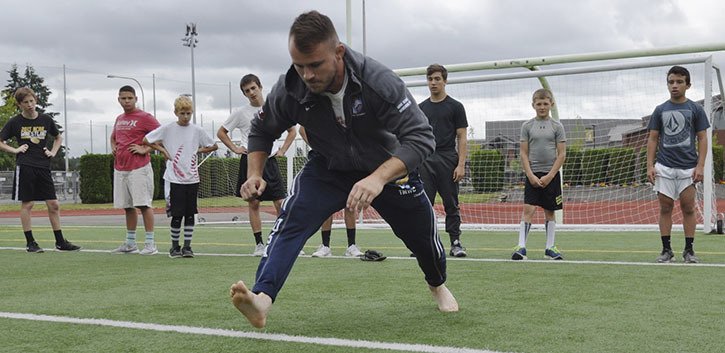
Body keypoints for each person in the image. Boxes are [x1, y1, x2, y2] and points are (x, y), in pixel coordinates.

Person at [230, 10, 458, 329]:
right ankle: (262, 299)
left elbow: (421, 139)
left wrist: (378, 178)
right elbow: (262, 130)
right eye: (299, 65)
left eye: (315, 65)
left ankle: (437, 284)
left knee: (421, 237)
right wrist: (254, 172)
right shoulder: (291, 88)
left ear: (339, 52)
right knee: (291, 220)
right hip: (329, 167)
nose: (307, 75)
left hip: (388, 168)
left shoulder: (378, 82)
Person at [217, 74, 297, 256]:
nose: (251, 93)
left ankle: (283, 243)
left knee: (280, 202)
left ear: (260, 87)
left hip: (270, 160)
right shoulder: (240, 112)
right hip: (250, 161)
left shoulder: (274, 106)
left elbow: (292, 130)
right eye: (247, 91)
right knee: (253, 203)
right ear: (244, 94)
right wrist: (235, 148)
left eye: (253, 88)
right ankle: (259, 244)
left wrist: (283, 149)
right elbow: (221, 132)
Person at [0, 87, 80, 253]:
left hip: (43, 166)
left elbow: (58, 137)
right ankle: (31, 242)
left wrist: (53, 152)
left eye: (32, 101)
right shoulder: (14, 122)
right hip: (25, 166)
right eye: (25, 102)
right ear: (19, 104)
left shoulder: (45, 119)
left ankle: (60, 242)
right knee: (28, 204)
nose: (30, 105)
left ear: (36, 100)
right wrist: (15, 150)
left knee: (54, 204)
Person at [646, 65, 709, 264]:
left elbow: (703, 139)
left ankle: (689, 251)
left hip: (688, 168)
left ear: (687, 85)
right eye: (671, 81)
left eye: (679, 82)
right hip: (664, 167)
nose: (675, 85)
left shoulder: (696, 109)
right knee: (665, 208)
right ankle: (666, 250)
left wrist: (700, 167)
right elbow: (653, 139)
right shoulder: (660, 110)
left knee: (688, 208)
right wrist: (650, 165)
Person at [143, 96, 218, 258]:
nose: (185, 117)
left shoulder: (197, 131)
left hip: (192, 178)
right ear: (176, 112)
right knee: (177, 214)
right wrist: (162, 150)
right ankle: (174, 247)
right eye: (182, 113)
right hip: (174, 178)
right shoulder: (168, 129)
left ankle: (188, 247)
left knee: (190, 214)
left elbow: (213, 145)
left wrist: (197, 151)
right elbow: (147, 139)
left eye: (188, 113)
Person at [418, 64, 469, 257]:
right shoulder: (421, 108)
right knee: (423, 204)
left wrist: (461, 164)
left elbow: (462, 136)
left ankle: (455, 242)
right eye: (430, 79)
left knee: (451, 203)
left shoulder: (455, 107)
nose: (433, 83)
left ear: (445, 81)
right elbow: (417, 136)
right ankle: (425, 243)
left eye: (437, 79)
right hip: (426, 159)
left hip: (448, 158)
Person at [511, 88, 566, 261]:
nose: (542, 107)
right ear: (533, 105)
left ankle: (550, 248)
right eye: (538, 104)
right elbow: (523, 153)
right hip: (532, 174)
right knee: (528, 209)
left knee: (550, 212)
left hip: (551, 175)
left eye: (545, 103)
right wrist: (530, 175)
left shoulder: (557, 126)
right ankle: (521, 246)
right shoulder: (527, 126)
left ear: (551, 104)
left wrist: (550, 175)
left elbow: (562, 154)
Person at [109, 85, 160, 255]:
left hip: (139, 168)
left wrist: (145, 149)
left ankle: (150, 244)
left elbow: (161, 135)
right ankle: (130, 243)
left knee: (144, 204)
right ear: (119, 100)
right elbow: (113, 138)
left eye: (130, 98)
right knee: (127, 206)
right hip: (121, 168)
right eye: (123, 98)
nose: (126, 101)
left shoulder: (145, 117)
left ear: (136, 99)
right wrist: (113, 146)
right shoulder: (119, 118)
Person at [299, 125, 363, 258]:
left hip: (347, 162)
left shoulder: (346, 111)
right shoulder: (318, 111)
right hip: (326, 163)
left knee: (350, 204)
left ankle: (352, 246)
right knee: (326, 205)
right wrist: (318, 146)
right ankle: (325, 246)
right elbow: (302, 129)